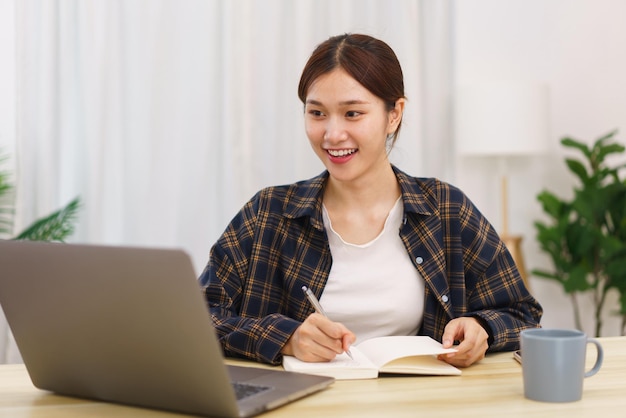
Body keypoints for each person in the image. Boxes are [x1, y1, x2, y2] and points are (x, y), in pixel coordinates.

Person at [199, 33, 542, 368]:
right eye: (317, 113)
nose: (332, 135)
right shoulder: (269, 213)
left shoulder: (445, 209)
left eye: (352, 114)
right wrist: (285, 338)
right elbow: (197, 317)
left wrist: (482, 329)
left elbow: (523, 315)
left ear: (394, 115)